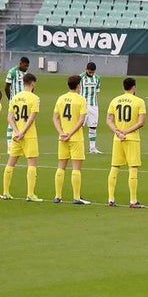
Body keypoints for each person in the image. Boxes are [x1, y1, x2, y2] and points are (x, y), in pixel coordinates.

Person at [106, 77, 147, 208]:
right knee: (133, 168)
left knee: (114, 167)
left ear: (124, 87)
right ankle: (133, 200)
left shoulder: (114, 100)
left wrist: (117, 132)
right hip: (132, 138)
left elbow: (109, 120)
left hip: (117, 138)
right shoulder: (139, 101)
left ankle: (111, 199)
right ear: (134, 87)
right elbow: (141, 122)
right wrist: (126, 132)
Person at [52, 75, 90, 205]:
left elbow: (55, 118)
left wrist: (61, 133)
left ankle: (57, 196)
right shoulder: (81, 99)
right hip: (75, 138)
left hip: (62, 138)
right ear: (78, 85)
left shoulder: (61, 98)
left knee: (61, 166)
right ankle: (76, 197)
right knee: (76, 168)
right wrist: (70, 134)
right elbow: (81, 120)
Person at [3, 73, 41, 201]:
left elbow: (9, 117)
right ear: (32, 83)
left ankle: (6, 192)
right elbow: (32, 117)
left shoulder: (15, 97)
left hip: (16, 135)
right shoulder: (35, 98)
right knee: (32, 164)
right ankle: (30, 194)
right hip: (28, 135)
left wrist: (17, 131)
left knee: (11, 162)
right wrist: (23, 132)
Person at [3, 56, 30, 153]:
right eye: (25, 66)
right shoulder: (12, 72)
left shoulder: (25, 74)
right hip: (15, 101)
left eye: (27, 66)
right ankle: (10, 145)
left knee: (23, 121)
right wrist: (10, 98)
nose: (26, 68)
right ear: (20, 63)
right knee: (11, 122)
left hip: (25, 102)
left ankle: (20, 143)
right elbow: (7, 86)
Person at [81, 62, 102, 154]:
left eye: (92, 72)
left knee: (93, 126)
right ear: (86, 69)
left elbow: (97, 91)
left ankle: (92, 148)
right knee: (79, 126)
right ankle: (79, 146)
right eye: (89, 72)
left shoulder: (97, 78)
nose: (91, 74)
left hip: (93, 105)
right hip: (82, 105)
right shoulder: (80, 77)